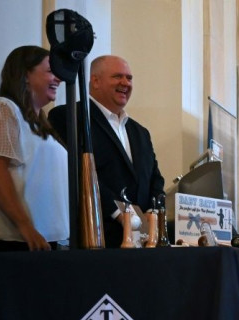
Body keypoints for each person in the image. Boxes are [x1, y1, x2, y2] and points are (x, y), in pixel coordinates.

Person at [0, 46, 68, 265]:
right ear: (26, 75)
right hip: (7, 239)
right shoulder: (2, 108)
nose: (58, 78)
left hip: (38, 239)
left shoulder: (39, 123)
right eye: (49, 71)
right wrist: (25, 226)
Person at [48, 55, 164, 247]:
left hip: (143, 242)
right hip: (97, 237)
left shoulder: (140, 132)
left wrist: (153, 215)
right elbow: (77, 171)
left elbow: (155, 180)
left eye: (129, 78)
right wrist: (119, 214)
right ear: (95, 81)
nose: (125, 83)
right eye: (118, 76)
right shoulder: (70, 117)